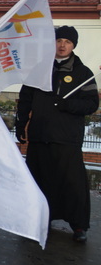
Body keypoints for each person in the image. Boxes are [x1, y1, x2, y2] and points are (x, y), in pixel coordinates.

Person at [15, 26, 98, 243]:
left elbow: (91, 104)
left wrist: (67, 104)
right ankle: (42, 218)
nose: (62, 45)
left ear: (73, 45)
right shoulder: (39, 70)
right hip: (40, 136)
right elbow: (25, 100)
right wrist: (21, 124)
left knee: (72, 183)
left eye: (67, 42)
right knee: (40, 181)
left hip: (66, 138)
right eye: (59, 40)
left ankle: (78, 224)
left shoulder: (83, 73)